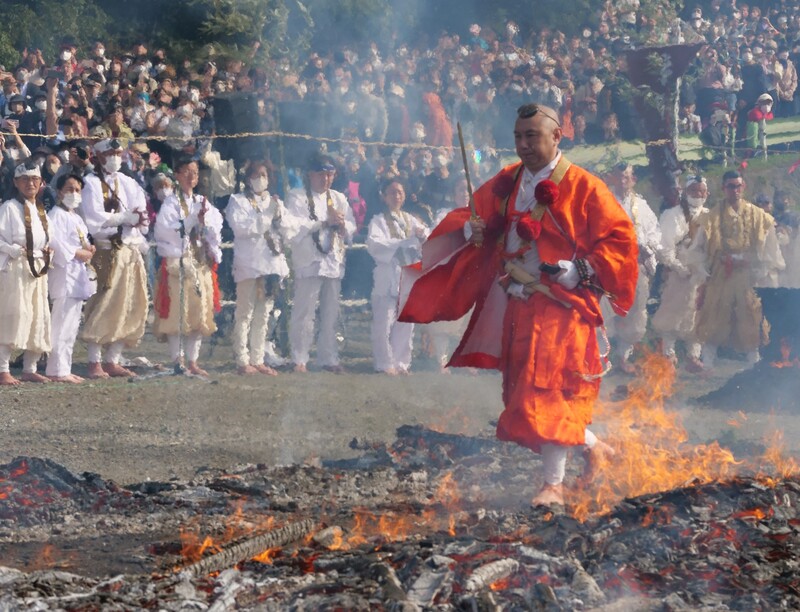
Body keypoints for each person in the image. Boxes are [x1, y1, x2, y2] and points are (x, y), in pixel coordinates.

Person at [400, 104, 638, 507]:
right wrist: (469, 228)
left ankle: (554, 485)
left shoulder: (585, 187)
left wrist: (579, 269)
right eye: (518, 137)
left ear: (556, 137)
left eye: (532, 136)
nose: (524, 144)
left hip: (559, 305)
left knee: (545, 392)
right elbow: (477, 217)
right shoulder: (508, 181)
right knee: (522, 396)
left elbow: (621, 243)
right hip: (519, 302)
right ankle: (595, 447)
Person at [693, 170, 785, 369]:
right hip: (721, 272)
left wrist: (762, 270)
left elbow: (770, 246)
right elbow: (698, 247)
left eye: (738, 186)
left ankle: (754, 363)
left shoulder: (758, 215)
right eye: (730, 186)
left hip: (747, 274)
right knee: (714, 314)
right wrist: (702, 269)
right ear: (723, 188)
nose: (735, 190)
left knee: (751, 316)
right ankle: (707, 362)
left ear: (743, 187)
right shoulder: (713, 215)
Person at [79, 138, 150, 378]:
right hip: (107, 248)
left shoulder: (129, 183)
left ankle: (113, 358)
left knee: (131, 303)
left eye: (118, 153)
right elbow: (94, 219)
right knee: (104, 302)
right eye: (110, 153)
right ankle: (94, 360)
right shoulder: (90, 183)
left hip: (130, 248)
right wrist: (122, 219)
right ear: (98, 156)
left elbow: (141, 213)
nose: (115, 157)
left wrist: (137, 223)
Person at [284, 153, 356, 373]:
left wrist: (343, 226)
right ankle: (300, 358)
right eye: (321, 174)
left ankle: (328, 357)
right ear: (311, 175)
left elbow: (352, 227)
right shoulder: (296, 197)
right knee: (304, 312)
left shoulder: (339, 198)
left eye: (330, 174)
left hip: (333, 261)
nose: (326, 179)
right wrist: (324, 222)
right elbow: (294, 227)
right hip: (309, 260)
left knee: (331, 312)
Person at [153, 157, 223, 376]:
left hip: (199, 259)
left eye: (195, 172)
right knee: (177, 313)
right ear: (177, 174)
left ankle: (193, 360)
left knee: (198, 311)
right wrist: (191, 220)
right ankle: (178, 358)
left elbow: (215, 228)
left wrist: (205, 224)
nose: (192, 176)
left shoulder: (202, 200)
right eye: (187, 172)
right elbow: (165, 230)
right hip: (179, 260)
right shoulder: (171, 203)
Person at [225, 160, 289, 375]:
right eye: (256, 174)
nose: (260, 179)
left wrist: (278, 216)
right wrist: (268, 215)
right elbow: (243, 228)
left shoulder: (275, 202)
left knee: (263, 314)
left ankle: (258, 358)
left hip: (271, 264)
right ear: (247, 178)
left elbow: (287, 231)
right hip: (248, 264)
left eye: (264, 175)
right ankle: (242, 360)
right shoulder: (238, 201)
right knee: (245, 312)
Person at [366, 176, 428, 375]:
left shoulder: (410, 219)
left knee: (405, 323)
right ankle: (384, 363)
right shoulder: (378, 220)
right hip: (387, 274)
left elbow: (426, 239)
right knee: (384, 322)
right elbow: (375, 245)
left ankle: (401, 362)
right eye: (392, 192)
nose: (397, 196)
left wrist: (420, 237)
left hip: (407, 274)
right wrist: (400, 243)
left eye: (400, 192)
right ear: (384, 196)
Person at [604, 162, 661, 373]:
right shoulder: (603, 201)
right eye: (619, 177)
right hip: (609, 265)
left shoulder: (641, 205)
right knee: (606, 310)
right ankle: (601, 357)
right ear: (612, 178)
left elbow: (654, 232)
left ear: (633, 180)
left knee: (635, 310)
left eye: (626, 177)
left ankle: (622, 357)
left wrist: (648, 248)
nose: (622, 181)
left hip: (636, 267)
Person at [650, 175, 709, 372]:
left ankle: (693, 356)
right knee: (673, 312)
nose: (698, 195)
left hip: (702, 272)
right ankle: (668, 354)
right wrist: (679, 268)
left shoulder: (710, 215)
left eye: (701, 191)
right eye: (694, 191)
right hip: (678, 271)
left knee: (698, 315)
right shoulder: (673, 214)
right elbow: (664, 247)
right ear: (686, 192)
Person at [0, 162, 52, 385]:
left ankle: (30, 367)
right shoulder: (9, 207)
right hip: (16, 267)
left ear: (40, 183)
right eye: (25, 179)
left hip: (38, 268)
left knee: (38, 316)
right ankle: (3, 369)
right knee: (14, 315)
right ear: (15, 182)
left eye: (34, 179)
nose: (30, 183)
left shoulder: (40, 209)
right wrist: (10, 249)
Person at [46, 173, 97, 383]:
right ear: (59, 192)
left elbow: (83, 240)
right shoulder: (56, 214)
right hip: (64, 273)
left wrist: (89, 248)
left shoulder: (76, 217)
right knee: (61, 323)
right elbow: (56, 242)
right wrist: (78, 253)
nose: (74, 194)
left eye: (77, 190)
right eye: (69, 189)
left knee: (72, 323)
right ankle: (56, 369)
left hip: (78, 275)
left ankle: (64, 367)